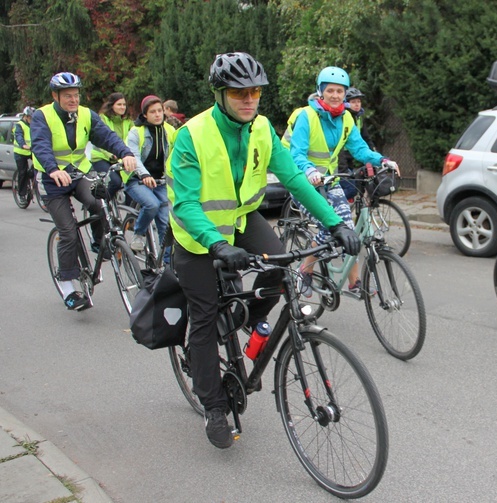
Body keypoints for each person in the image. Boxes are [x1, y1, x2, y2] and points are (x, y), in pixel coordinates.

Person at [166, 52, 359, 449]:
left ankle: (248, 315)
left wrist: (335, 223)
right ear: (220, 94)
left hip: (242, 219)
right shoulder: (192, 134)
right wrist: (217, 244)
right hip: (198, 235)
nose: (249, 99)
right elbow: (184, 204)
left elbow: (293, 177)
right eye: (239, 92)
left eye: (255, 91)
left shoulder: (262, 127)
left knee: (279, 266)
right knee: (203, 317)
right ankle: (214, 407)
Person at [282, 66, 399, 296]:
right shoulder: (306, 116)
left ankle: (354, 283)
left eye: (340, 91)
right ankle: (304, 271)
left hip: (329, 180)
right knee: (331, 224)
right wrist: (309, 171)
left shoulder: (346, 117)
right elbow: (297, 154)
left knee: (346, 228)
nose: (336, 95)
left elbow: (359, 148)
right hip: (301, 180)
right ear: (320, 91)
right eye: (330, 90)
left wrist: (382, 160)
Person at [31, 72, 137, 311]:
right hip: (52, 179)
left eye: (76, 95)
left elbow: (107, 137)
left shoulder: (86, 115)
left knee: (100, 202)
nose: (73, 100)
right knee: (67, 232)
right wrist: (52, 169)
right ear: (55, 96)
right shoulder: (42, 116)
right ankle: (69, 286)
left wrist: (126, 153)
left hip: (79, 172)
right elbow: (40, 145)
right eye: (68, 96)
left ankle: (99, 242)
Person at [125, 95, 175, 253]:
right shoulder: (136, 132)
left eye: (160, 110)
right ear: (145, 114)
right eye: (152, 112)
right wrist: (144, 175)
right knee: (151, 204)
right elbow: (134, 158)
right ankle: (139, 234)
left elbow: (176, 156)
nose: (158, 114)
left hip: (161, 182)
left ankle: (167, 266)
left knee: (167, 225)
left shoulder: (170, 130)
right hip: (137, 181)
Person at [90, 92, 134, 199]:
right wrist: (112, 154)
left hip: (120, 158)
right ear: (111, 105)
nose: (122, 107)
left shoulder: (128, 120)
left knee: (131, 182)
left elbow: (133, 139)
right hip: (101, 158)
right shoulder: (103, 119)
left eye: (124, 104)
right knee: (116, 182)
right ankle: (103, 205)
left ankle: (131, 214)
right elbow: (102, 140)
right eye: (119, 104)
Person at [337, 86, 375, 200]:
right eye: (353, 102)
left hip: (352, 156)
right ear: (346, 103)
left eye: (359, 101)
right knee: (351, 188)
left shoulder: (359, 118)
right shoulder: (343, 117)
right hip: (341, 158)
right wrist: (343, 168)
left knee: (359, 185)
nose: (357, 104)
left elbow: (365, 137)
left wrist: (373, 153)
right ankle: (334, 206)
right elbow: (340, 144)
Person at [12, 106, 35, 198]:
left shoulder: (34, 125)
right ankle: (22, 194)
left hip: (31, 151)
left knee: (39, 168)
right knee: (22, 172)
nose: (32, 119)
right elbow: (18, 136)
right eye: (30, 117)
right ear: (26, 116)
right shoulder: (19, 125)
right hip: (20, 152)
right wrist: (23, 145)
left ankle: (30, 176)